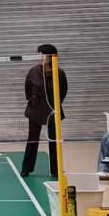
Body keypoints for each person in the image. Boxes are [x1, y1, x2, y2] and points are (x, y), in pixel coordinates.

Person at [21, 44, 68, 178]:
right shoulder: (33, 71)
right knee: (32, 140)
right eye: (40, 54)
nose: (40, 57)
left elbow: (63, 91)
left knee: (54, 140)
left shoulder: (59, 73)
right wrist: (33, 100)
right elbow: (27, 88)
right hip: (35, 109)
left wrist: (55, 105)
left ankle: (55, 170)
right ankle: (26, 168)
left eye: (43, 54)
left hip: (52, 111)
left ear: (52, 57)